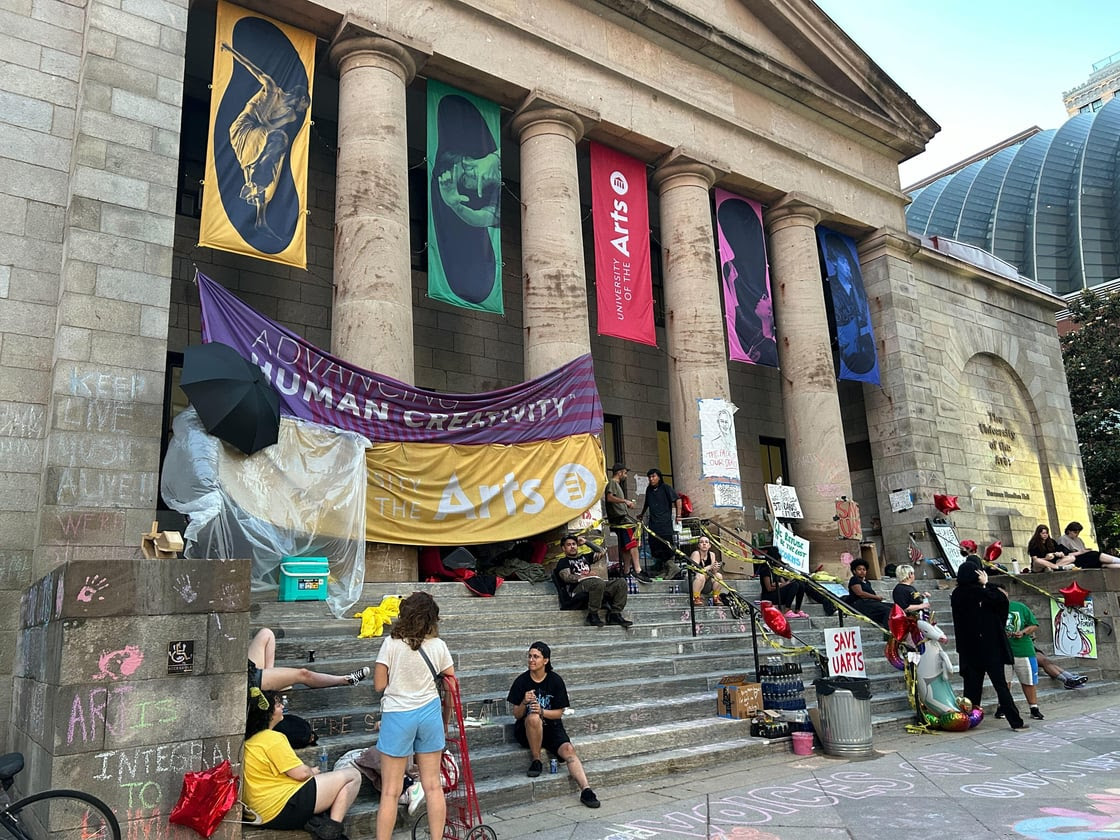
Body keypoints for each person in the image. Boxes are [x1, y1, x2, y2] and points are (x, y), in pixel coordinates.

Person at [373, 592, 455, 840]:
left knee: (390, 790)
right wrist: (446, 720)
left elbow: (379, 684)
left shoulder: (391, 643)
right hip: (429, 713)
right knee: (432, 785)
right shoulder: (439, 646)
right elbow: (451, 686)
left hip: (398, 713)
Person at [242, 689, 362, 840]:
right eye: (278, 705)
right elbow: (301, 774)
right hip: (280, 807)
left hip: (259, 812)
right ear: (270, 713)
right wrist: (312, 771)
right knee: (353, 775)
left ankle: (317, 821)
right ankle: (332, 829)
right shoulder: (272, 738)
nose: (282, 707)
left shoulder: (250, 740)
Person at [220, 42, 310, 237]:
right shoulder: (271, 88)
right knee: (277, 140)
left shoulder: (291, 116)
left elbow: (268, 128)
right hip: (244, 127)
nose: (302, 110)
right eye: (304, 105)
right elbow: (251, 66)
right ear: (300, 98)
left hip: (261, 132)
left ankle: (260, 212)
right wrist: (230, 50)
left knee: (279, 142)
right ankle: (254, 184)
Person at [506, 641, 600, 809]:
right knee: (533, 717)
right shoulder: (521, 681)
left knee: (569, 750)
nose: (531, 660)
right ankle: (536, 760)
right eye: (529, 656)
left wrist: (542, 711)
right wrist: (523, 702)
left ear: (546, 660)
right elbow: (516, 714)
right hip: (527, 729)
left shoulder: (555, 680)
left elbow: (559, 712)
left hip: (551, 725)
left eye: (536, 657)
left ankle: (586, 790)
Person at [950, 559, 1027, 730]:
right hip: (990, 647)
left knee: (971, 689)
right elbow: (1001, 602)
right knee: (1000, 686)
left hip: (969, 648)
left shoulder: (957, 594)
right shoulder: (983, 593)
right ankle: (1015, 721)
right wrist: (986, 584)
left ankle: (969, 720)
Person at [249, 628, 369, 691]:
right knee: (303, 674)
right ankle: (345, 679)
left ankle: (271, 682)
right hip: (247, 679)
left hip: (249, 669)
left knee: (266, 633)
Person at [555, 533, 633, 627]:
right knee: (597, 583)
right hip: (577, 588)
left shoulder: (584, 557)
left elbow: (602, 551)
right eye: (569, 545)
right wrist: (584, 576)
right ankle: (592, 615)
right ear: (563, 549)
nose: (572, 547)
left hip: (595, 584)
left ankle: (614, 614)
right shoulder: (563, 561)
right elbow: (566, 577)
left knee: (621, 583)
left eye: (574, 544)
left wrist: (586, 542)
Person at [996, 584, 1045, 721]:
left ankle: (1034, 707)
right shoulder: (992, 609)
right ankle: (1002, 706)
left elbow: (1034, 624)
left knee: (1028, 680)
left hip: (1023, 649)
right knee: (1004, 681)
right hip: (1002, 651)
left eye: (1003, 594)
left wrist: (1023, 632)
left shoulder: (1020, 607)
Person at [605, 463, 650, 582]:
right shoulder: (612, 483)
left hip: (621, 518)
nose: (625, 476)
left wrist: (625, 504)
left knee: (626, 547)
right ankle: (638, 570)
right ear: (619, 473)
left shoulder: (616, 485)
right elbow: (609, 498)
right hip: (622, 519)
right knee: (632, 544)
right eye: (624, 473)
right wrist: (625, 501)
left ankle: (626, 571)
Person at [641, 468, 680, 576]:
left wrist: (678, 515)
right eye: (649, 477)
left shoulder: (666, 488)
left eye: (653, 476)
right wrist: (641, 514)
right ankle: (663, 569)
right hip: (653, 524)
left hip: (665, 524)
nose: (651, 479)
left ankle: (672, 568)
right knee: (654, 545)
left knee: (666, 545)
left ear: (659, 477)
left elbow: (678, 500)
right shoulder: (649, 490)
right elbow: (646, 503)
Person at [846, 558, 891, 627]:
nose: (862, 571)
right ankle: (887, 630)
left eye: (864, 569)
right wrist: (876, 597)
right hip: (860, 604)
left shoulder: (867, 582)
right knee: (887, 610)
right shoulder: (854, 579)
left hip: (870, 603)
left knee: (894, 607)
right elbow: (860, 593)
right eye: (859, 569)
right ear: (854, 571)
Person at [689, 536, 724, 606]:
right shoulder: (696, 553)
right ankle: (695, 598)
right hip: (693, 582)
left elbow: (713, 572)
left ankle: (716, 597)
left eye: (706, 542)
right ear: (699, 545)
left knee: (719, 575)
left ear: (709, 545)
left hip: (705, 584)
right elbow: (695, 570)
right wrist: (709, 567)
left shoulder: (712, 555)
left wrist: (715, 568)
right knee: (701, 576)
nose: (704, 544)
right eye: (701, 542)